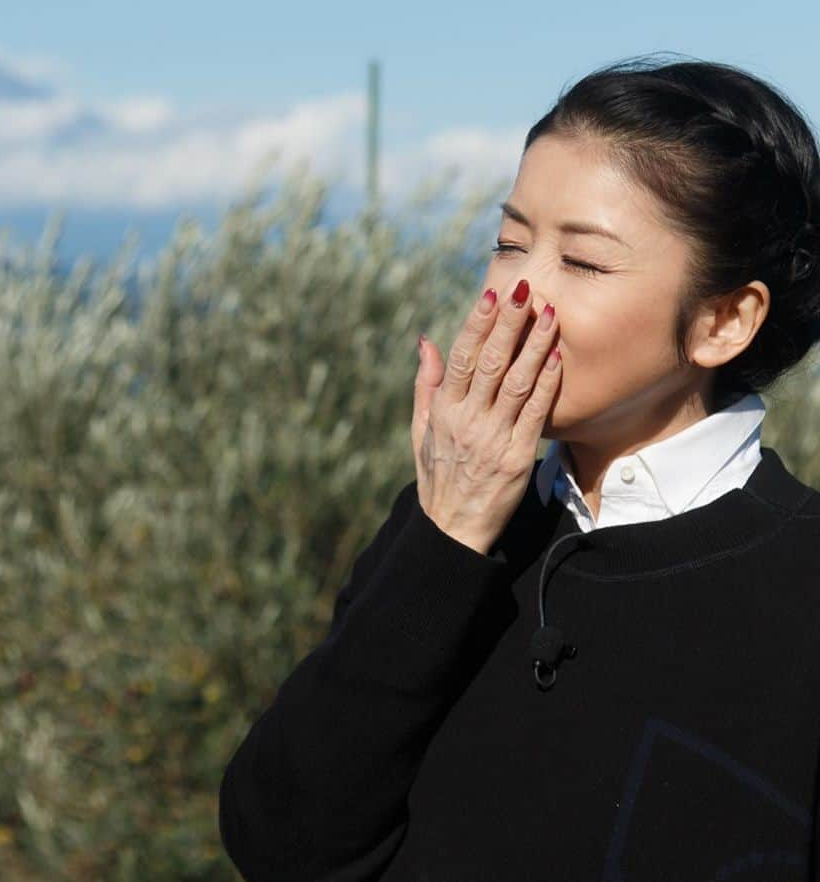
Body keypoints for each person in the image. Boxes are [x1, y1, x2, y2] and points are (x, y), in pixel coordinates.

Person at [217, 54, 820, 881]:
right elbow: (280, 844)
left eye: (583, 263)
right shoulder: (449, 532)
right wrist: (448, 534)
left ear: (723, 321)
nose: (517, 295)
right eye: (508, 244)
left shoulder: (800, 587)